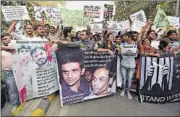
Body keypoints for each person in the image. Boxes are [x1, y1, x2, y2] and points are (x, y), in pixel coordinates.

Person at [1, 33, 20, 110]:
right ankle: (15, 104)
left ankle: (23, 100)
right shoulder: (1, 49)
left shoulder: (17, 45)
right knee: (12, 89)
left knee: (21, 86)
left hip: (19, 70)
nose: (7, 40)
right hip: (8, 72)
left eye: (8, 38)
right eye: (4, 39)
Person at [119, 31, 137, 100]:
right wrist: (122, 52)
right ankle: (123, 90)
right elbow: (122, 54)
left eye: (125, 36)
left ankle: (128, 91)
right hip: (124, 64)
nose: (123, 37)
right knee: (124, 79)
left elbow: (135, 55)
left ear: (129, 37)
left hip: (132, 65)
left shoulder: (135, 44)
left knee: (129, 79)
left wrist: (135, 53)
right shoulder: (122, 45)